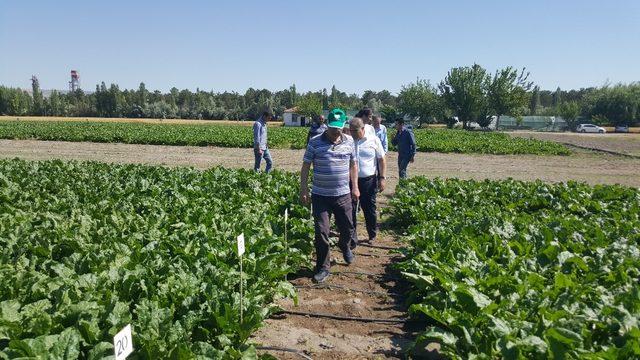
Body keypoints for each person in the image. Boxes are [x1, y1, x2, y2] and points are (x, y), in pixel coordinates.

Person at [300, 108, 360, 283]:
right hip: (320, 195)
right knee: (321, 232)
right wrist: (303, 189)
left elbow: (353, 165)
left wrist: (355, 187)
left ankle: (344, 245)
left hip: (343, 194)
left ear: (343, 126)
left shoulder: (349, 142)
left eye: (338, 128)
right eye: (332, 127)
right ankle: (323, 267)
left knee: (348, 227)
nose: (335, 131)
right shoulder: (315, 142)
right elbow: (305, 166)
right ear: (326, 125)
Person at [349, 117, 386, 244]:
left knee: (369, 208)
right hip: (350, 181)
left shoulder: (373, 140)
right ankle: (352, 237)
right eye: (351, 130)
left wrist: (382, 178)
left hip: (368, 181)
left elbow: (381, 160)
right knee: (351, 209)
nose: (353, 133)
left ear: (363, 128)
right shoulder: (347, 141)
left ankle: (372, 234)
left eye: (355, 130)